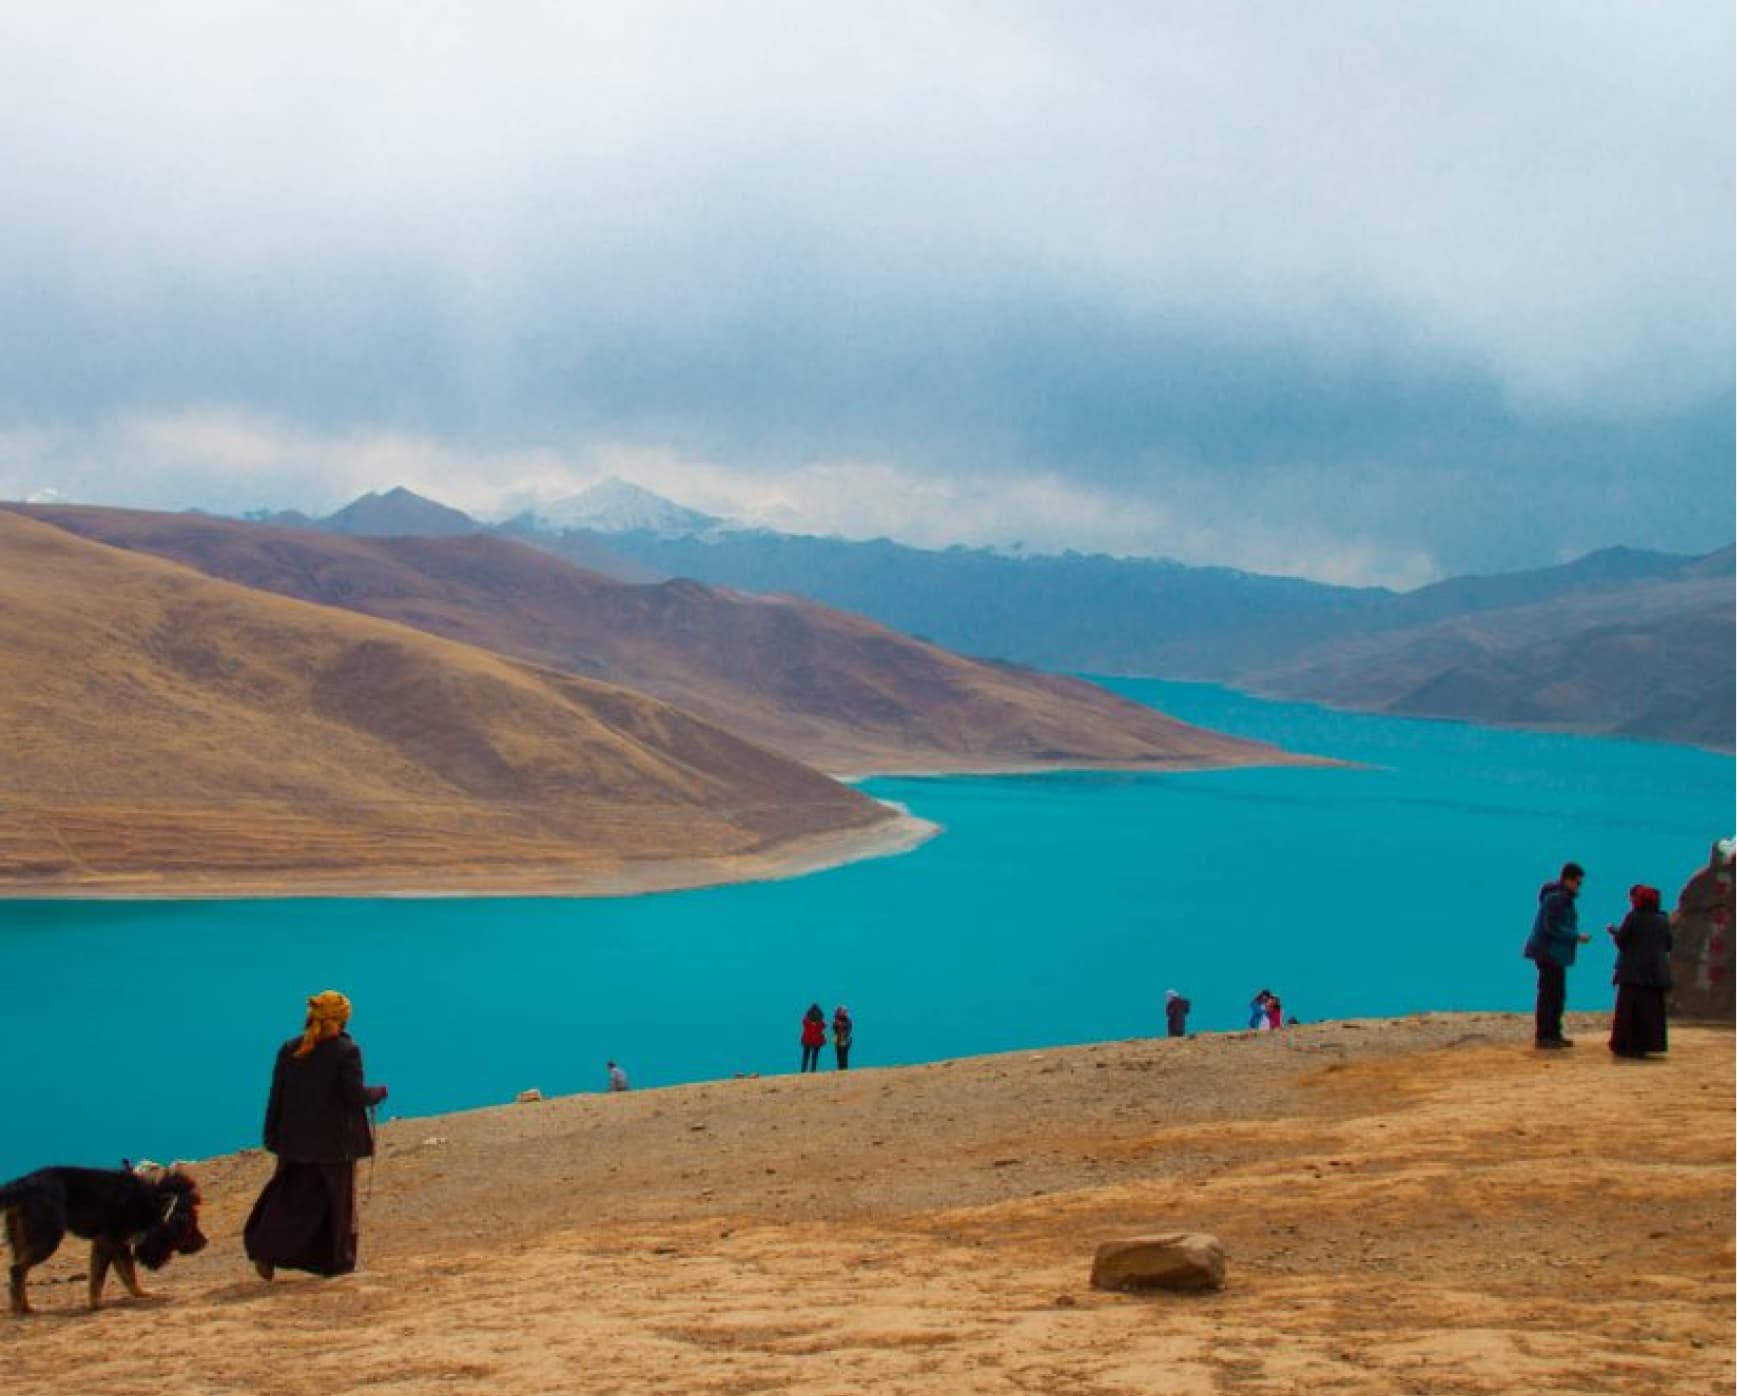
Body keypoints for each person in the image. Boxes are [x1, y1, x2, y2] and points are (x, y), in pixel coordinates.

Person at [244, 990, 388, 1281]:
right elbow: (353, 1096)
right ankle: (338, 1263)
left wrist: (272, 1134)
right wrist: (379, 1093)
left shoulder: (289, 1048)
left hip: (292, 1141)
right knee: (337, 1204)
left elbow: (277, 1096)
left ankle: (266, 1251)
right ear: (343, 1019)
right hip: (335, 1145)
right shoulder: (346, 1051)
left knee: (288, 1198)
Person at [1524, 861, 1593, 1049]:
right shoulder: (1555, 898)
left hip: (1553, 953)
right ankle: (1545, 1035)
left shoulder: (1560, 897)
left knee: (1556, 994)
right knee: (1550, 994)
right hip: (1549, 953)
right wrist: (1576, 936)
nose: (1579, 887)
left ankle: (1553, 1033)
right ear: (1567, 880)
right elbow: (1552, 927)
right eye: (1577, 883)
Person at [1607, 884, 1673, 1059]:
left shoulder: (1633, 917)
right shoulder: (1663, 919)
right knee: (1651, 1012)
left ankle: (1627, 1046)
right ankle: (1649, 1044)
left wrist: (1615, 933)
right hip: (1655, 974)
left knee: (1629, 1012)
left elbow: (1622, 941)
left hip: (1632, 973)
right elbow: (1668, 945)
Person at [800, 1004, 826, 1072]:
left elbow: (803, 1022)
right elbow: (824, 1025)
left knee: (806, 1055)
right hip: (816, 1040)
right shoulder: (820, 1024)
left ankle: (804, 1069)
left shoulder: (807, 1022)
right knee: (814, 1056)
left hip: (808, 1039)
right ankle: (812, 1069)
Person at [832, 1005, 854, 1070]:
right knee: (838, 1055)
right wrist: (836, 1025)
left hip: (844, 1039)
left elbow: (848, 1029)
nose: (844, 1013)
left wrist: (841, 1025)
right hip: (837, 1039)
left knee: (844, 1054)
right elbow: (834, 1030)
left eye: (845, 1011)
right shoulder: (836, 1019)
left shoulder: (848, 1020)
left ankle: (845, 1068)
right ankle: (840, 1068)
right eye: (843, 1011)